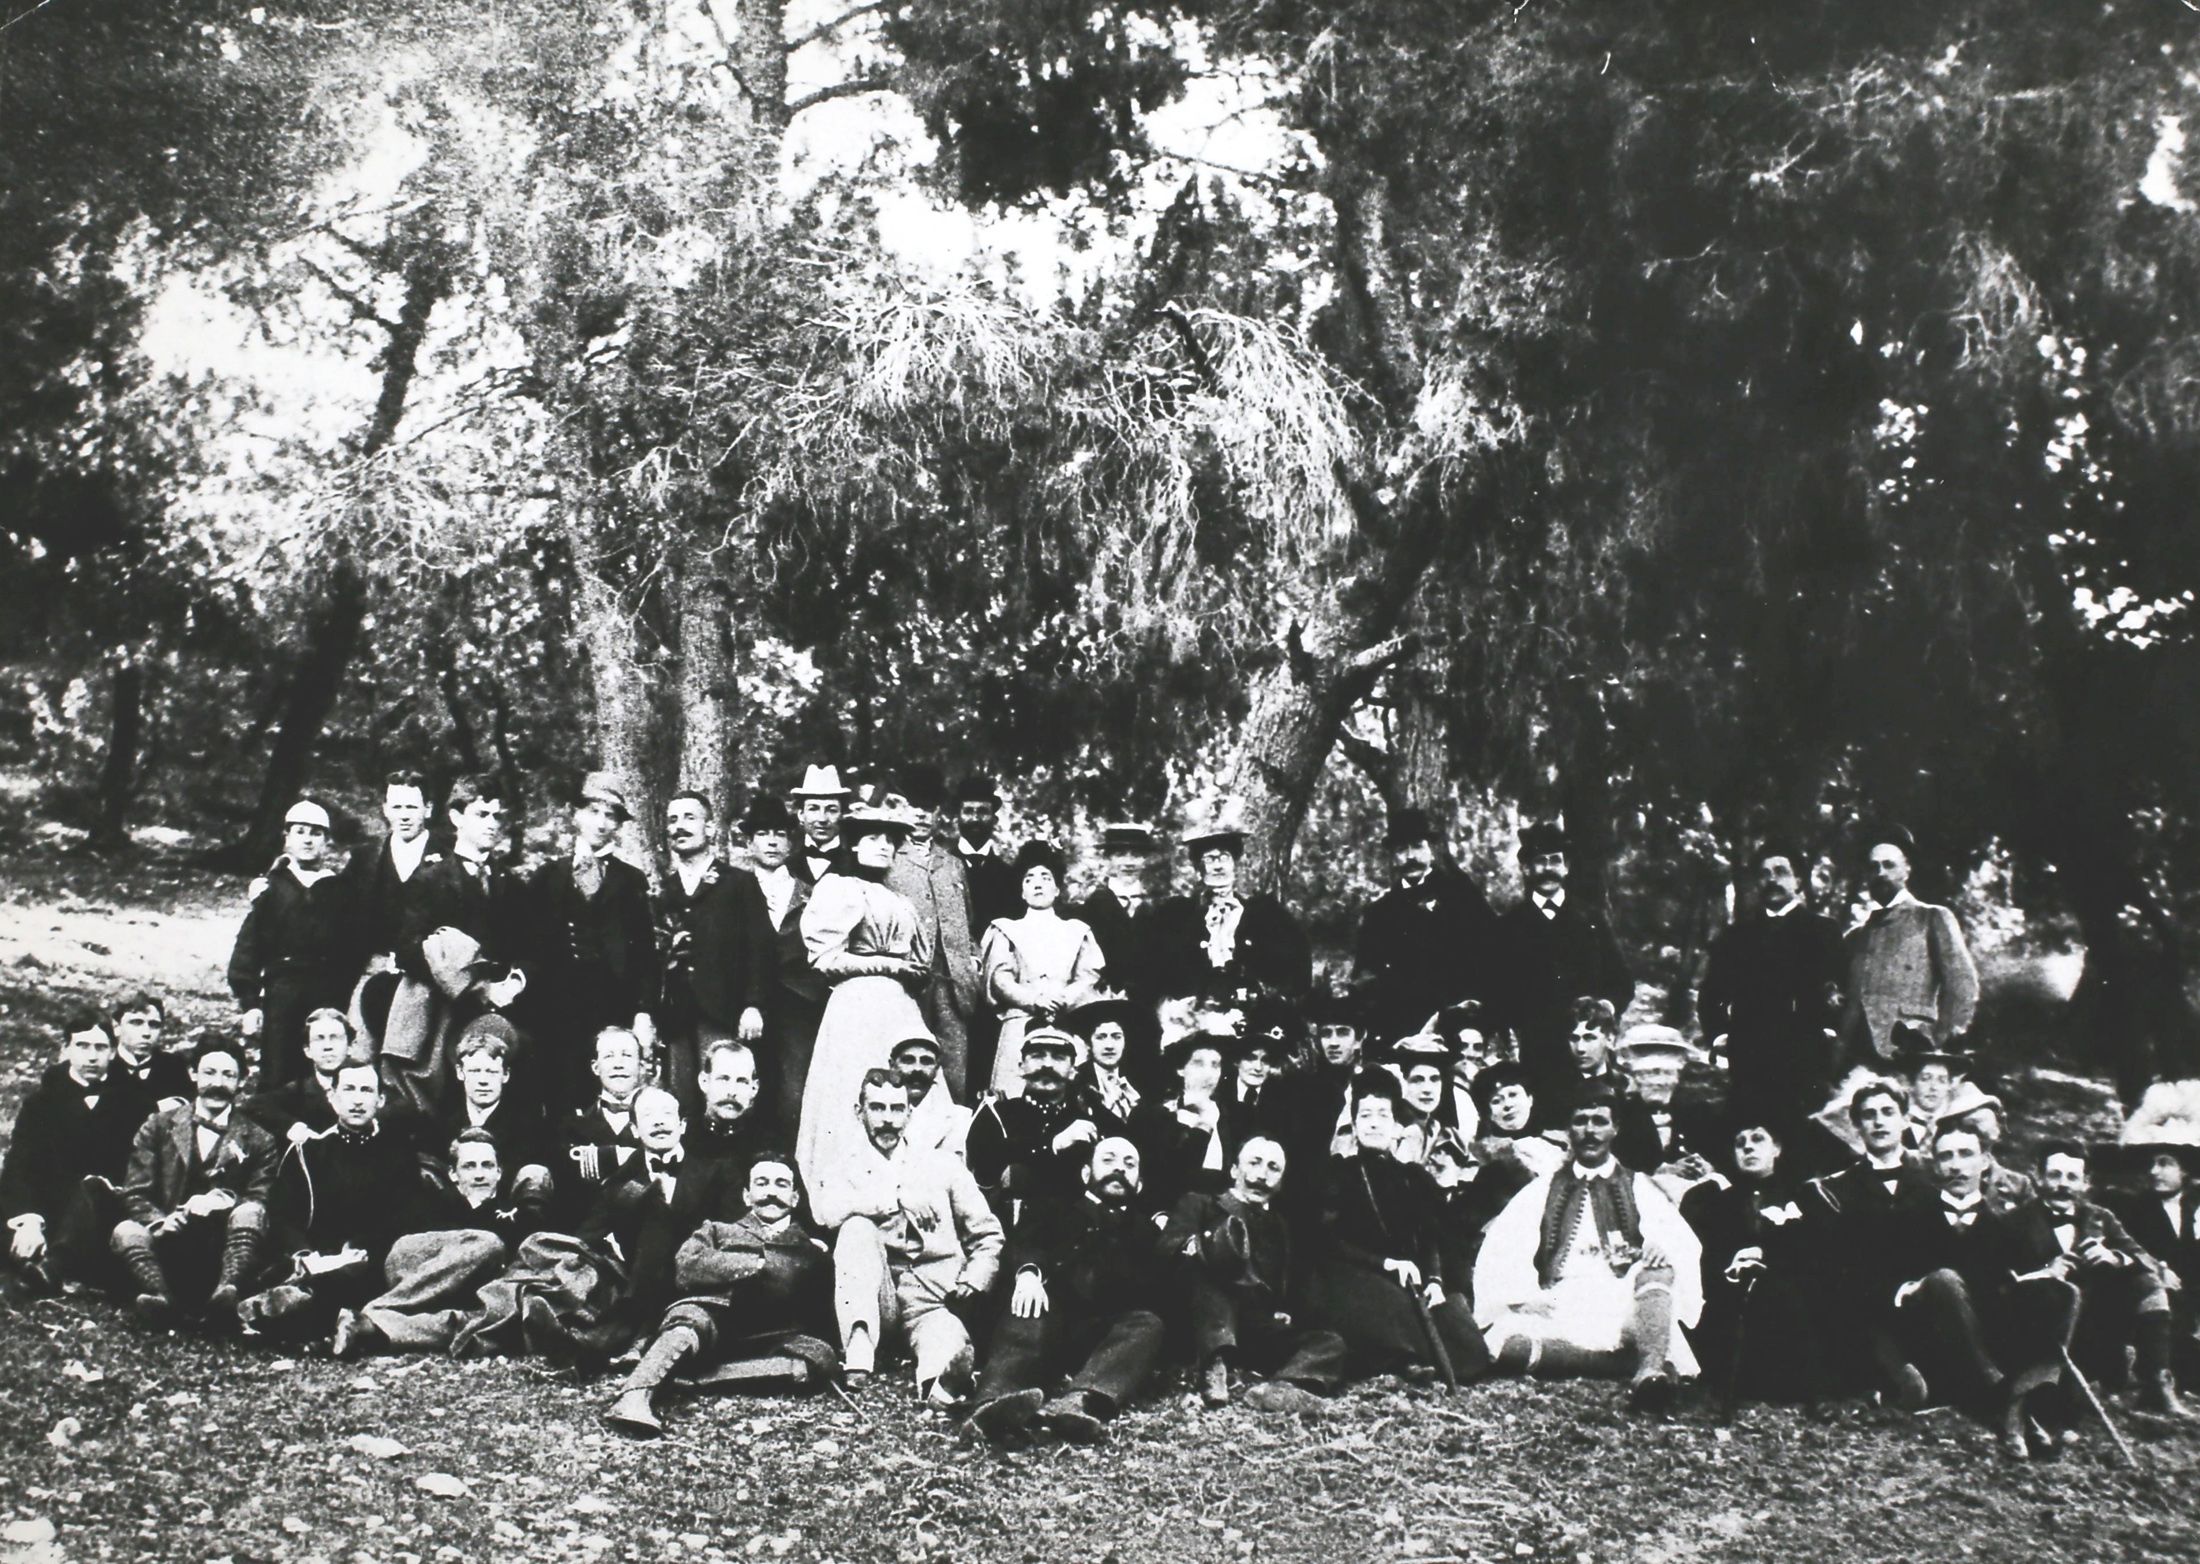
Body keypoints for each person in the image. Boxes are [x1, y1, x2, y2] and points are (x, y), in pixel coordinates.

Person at [1475, 1082, 1704, 1412]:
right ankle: (1629, 1365)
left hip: (1622, 1300)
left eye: (1600, 1121)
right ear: (1569, 1129)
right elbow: (1504, 1248)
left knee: (1658, 1271)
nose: (1590, 1131)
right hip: (1562, 1300)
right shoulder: (1543, 1189)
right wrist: (1523, 1297)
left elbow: (1679, 1242)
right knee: (1506, 1346)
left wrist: (1659, 1248)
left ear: (1615, 1129)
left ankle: (1648, 1370)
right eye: (1581, 1121)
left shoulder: (1638, 1185)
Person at [1867, 1122, 2078, 1459]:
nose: (1956, 1165)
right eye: (1946, 1156)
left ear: (1984, 1161)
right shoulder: (1907, 1218)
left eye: (1966, 1154)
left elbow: (2018, 1298)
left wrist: (2041, 1276)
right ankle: (2006, 1398)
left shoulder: (2008, 1228)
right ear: (1934, 1166)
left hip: (1984, 1346)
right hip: (1925, 1344)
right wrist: (1912, 1288)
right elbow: (1879, 1286)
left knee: (2061, 1293)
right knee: (1944, 1280)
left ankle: (2020, 1397)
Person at [603, 1153, 839, 1437]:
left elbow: (820, 1311)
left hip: (773, 1335)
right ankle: (634, 1398)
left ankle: (695, 1381)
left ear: (795, 1198)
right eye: (762, 1184)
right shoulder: (717, 1230)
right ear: (747, 1194)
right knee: (687, 1322)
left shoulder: (812, 1250)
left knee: (820, 1358)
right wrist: (754, 1265)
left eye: (781, 1185)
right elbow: (687, 1266)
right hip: (714, 1316)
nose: (771, 1193)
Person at [811, 1070, 1003, 1405]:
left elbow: (987, 1234)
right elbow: (826, 1212)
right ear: (860, 1112)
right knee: (856, 1228)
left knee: (946, 1341)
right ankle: (858, 1351)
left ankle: (940, 1388)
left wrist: (975, 1279)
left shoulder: (943, 1165)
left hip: (933, 1296)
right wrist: (896, 1197)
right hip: (875, 1300)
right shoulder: (843, 1165)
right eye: (878, 1108)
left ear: (910, 1113)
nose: (888, 1120)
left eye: (897, 1109)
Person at [967, 1136, 1173, 1445]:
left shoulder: (1145, 1233)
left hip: (1099, 1339)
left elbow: (1153, 1290)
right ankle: (992, 1406)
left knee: (1149, 1323)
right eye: (1109, 1160)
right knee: (1027, 1306)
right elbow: (1025, 1242)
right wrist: (1029, 1274)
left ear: (1139, 1185)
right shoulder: (1055, 1208)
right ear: (1086, 1174)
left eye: (1129, 1164)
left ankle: (1079, 1402)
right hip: (1046, 1317)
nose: (1119, 1168)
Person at [1304, 1076, 1492, 1380]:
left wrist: (1433, 1279)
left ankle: (1419, 1355)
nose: (1374, 1124)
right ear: (1354, 1126)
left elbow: (1430, 1235)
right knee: (1379, 1299)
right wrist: (1386, 1263)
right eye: (1365, 1116)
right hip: (1355, 1273)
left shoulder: (1413, 1177)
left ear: (1396, 1128)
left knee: (1461, 1333)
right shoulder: (1339, 1175)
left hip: (1411, 1277)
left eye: (1383, 1116)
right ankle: (1403, 1360)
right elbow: (1328, 1240)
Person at [794, 790, 933, 1195]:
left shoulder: (898, 900)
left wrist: (911, 973)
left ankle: (905, 1191)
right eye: (873, 838)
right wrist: (887, 965)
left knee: (906, 1093)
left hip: (900, 1009)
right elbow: (826, 960)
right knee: (850, 1097)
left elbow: (920, 961)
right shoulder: (839, 888)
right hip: (855, 1007)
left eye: (890, 840)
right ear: (853, 843)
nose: (884, 846)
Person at [239, 1060, 425, 1341]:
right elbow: (283, 1215)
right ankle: (301, 1305)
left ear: (380, 1100)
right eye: (349, 1089)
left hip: (371, 1259)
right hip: (316, 1258)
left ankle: (293, 1307)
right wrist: (303, 1254)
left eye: (366, 1090)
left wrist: (361, 1247)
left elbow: (409, 1215)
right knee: (293, 1271)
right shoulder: (309, 1152)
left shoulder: (399, 1152)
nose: (358, 1099)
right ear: (333, 1098)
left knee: (357, 1281)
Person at [1160, 1136, 1348, 1412]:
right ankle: (1215, 1365)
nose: (1262, 1175)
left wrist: (1282, 1309)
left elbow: (1284, 1281)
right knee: (1204, 1270)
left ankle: (1282, 1388)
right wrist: (1201, 1246)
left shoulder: (1280, 1226)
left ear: (1282, 1181)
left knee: (1330, 1342)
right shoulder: (1200, 1203)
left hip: (1254, 1327)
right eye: (1255, 1163)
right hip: (1204, 1321)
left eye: (1274, 1168)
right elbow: (1167, 1248)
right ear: (1235, 1170)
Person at [385, 777, 530, 1118]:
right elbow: (408, 948)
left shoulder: (511, 883)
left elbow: (530, 945)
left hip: (505, 1008)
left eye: (498, 817)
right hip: (445, 1010)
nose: (492, 824)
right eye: (481, 814)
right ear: (456, 817)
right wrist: (468, 984)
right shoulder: (429, 879)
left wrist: (513, 984)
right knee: (444, 1103)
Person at [331, 1127, 544, 1358]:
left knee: (488, 1319)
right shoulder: (433, 1204)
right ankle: (379, 1309)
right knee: (489, 1244)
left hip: (459, 1301)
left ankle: (372, 1328)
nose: (480, 1174)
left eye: (487, 1166)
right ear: (453, 1174)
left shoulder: (511, 1216)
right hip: (413, 1276)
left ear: (499, 1173)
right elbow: (388, 1244)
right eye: (469, 1166)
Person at [110, 1037, 280, 1323]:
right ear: (193, 1074)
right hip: (168, 1242)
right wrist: (161, 1222)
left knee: (252, 1213)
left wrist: (223, 1202)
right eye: (210, 1072)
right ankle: (162, 1297)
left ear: (241, 1081)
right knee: (125, 1230)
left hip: (222, 1245)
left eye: (229, 1075)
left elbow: (260, 1198)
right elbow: (135, 1192)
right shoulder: (158, 1125)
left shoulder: (260, 1139)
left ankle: (227, 1293)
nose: (218, 1082)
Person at [525, 772, 657, 1117]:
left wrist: (643, 1011)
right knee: (557, 1097)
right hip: (556, 1010)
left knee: (610, 1098)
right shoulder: (547, 878)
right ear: (576, 815)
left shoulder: (630, 881)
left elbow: (644, 953)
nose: (601, 822)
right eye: (593, 811)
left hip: (612, 1008)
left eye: (610, 815)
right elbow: (530, 950)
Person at [2026, 1142, 2187, 1417]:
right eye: (2054, 1175)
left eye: (2072, 1177)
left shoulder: (2100, 1217)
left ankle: (2158, 1381)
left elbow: (2144, 1258)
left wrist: (2115, 1257)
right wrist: (2045, 1272)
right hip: (2041, 1326)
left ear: (2086, 1183)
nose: (2062, 1185)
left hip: (2096, 1324)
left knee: (2147, 1282)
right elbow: (1998, 1282)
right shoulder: (2015, 1221)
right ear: (2037, 1177)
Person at [1, 1011, 156, 1293]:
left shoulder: (136, 1104)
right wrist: (30, 1221)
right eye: (82, 1046)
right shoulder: (40, 1103)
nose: (92, 1057)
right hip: (48, 1208)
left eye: (100, 1047)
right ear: (65, 1050)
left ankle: (51, 1268)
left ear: (112, 1053)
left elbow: (141, 1172)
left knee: (96, 1192)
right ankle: (42, 1261)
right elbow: (19, 1165)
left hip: (103, 1211)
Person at [1696, 842, 1845, 1129]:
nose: (1772, 880)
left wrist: (1827, 1032)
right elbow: (1711, 993)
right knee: (1750, 1133)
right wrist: (1719, 1037)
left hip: (1804, 1056)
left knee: (1799, 1137)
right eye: (1764, 874)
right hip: (1748, 1055)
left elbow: (1838, 988)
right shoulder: (1737, 936)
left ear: (1798, 881)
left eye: (1781, 872)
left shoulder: (1823, 931)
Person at [1679, 1116, 1825, 1403]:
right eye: (1740, 1143)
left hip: (1790, 1299)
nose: (1748, 1148)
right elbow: (1707, 1258)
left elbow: (1813, 1250)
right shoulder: (1716, 1203)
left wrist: (1767, 1254)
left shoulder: (1802, 1196)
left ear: (1777, 1149)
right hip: (1732, 1300)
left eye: (1758, 1139)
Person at [1487, 824, 1634, 1101]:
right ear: (1526, 869)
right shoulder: (1508, 927)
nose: (1548, 868)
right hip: (1535, 1056)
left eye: (1555, 860)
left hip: (1586, 1053)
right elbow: (1496, 992)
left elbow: (1622, 982)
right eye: (1539, 862)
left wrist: (1604, 1011)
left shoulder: (1592, 920)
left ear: (1566, 867)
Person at [653, 789, 769, 1122]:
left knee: (726, 1097)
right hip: (676, 1018)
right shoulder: (663, 890)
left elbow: (759, 949)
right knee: (681, 1102)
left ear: (710, 828)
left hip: (724, 1011)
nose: (680, 826)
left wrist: (754, 1004)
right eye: (673, 820)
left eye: (690, 817)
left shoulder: (739, 884)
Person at [228, 797, 356, 1089]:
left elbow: (351, 948)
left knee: (324, 1065)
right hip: (282, 992)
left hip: (327, 991)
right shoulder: (271, 888)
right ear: (286, 837)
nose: (308, 840)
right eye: (300, 831)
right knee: (278, 1067)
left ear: (326, 840)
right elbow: (249, 947)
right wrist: (250, 1003)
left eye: (316, 833)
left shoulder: (338, 890)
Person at [1353, 809, 1499, 1046]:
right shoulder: (1379, 913)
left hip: (1458, 1027)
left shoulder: (1463, 898)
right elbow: (1366, 976)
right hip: (1402, 1029)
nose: (1410, 856)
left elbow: (1491, 957)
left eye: (1417, 846)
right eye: (1402, 850)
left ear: (1431, 850)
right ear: (1392, 857)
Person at [1838, 829, 1979, 1073]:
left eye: (1889, 865)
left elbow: (1963, 986)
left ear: (1906, 870)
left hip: (1910, 1054)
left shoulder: (1932, 918)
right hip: (1855, 1059)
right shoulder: (1855, 937)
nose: (1880, 873)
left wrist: (1937, 1046)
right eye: (1873, 867)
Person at [978, 840, 1106, 1097]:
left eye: (1045, 878)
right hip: (1020, 1020)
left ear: (1057, 888)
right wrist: (1035, 1000)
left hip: (1065, 1018)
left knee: (1068, 1091)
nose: (1038, 884)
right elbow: (1000, 978)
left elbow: (1088, 976)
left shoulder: (1076, 931)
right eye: (1029, 879)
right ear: (1022, 891)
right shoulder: (1005, 929)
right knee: (1013, 1092)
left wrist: (1061, 999)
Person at [886, 766, 984, 1099]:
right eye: (915, 808)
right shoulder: (890, 860)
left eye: (928, 810)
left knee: (954, 1066)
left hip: (954, 985)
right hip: (909, 981)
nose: (922, 815)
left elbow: (966, 922)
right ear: (901, 810)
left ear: (938, 814)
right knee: (906, 1062)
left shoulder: (952, 863)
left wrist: (973, 959)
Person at [1148, 811, 1311, 1003]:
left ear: (1235, 863)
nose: (1218, 866)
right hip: (1195, 1016)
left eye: (1224, 857)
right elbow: (1161, 971)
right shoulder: (1177, 916)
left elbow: (1295, 972)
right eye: (1209, 859)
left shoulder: (1267, 915)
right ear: (1198, 868)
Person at [730, 798, 820, 1140]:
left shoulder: (810, 894)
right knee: (744, 1088)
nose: (771, 842)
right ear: (749, 842)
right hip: (744, 1007)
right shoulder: (733, 889)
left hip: (797, 1007)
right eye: (762, 834)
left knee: (793, 1094)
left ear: (790, 842)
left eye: (780, 834)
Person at [967, 1027, 1100, 1219]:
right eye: (1037, 1056)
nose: (1047, 1065)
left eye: (1059, 1057)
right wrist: (1053, 1145)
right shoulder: (996, 1113)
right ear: (1021, 1067)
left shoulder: (1085, 1122)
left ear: (1073, 1071)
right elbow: (986, 1163)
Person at [1072, 824, 1160, 1082]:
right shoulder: (1089, 908)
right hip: (1102, 1008)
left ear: (1145, 859)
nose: (1129, 862)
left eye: (1136, 854)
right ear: (1108, 859)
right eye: (1121, 854)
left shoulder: (1157, 909)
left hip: (1145, 1009)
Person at [426, 1018, 553, 1197]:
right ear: (460, 1072)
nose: (483, 1081)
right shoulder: (441, 1123)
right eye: (475, 1071)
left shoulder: (527, 1126)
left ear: (505, 1075)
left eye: (491, 1072)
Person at [338, 771, 442, 976]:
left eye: (412, 807)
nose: (404, 816)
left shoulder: (448, 855)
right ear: (385, 810)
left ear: (428, 809)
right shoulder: (365, 858)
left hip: (431, 975)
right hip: (374, 971)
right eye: (397, 807)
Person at [1127, 1033, 1235, 1210]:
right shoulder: (1154, 1115)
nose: (1208, 1074)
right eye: (1198, 1064)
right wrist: (1204, 1122)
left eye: (1215, 1065)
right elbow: (1166, 1179)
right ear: (1181, 1069)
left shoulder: (1233, 1117)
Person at [556, 1026, 650, 1219]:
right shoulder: (574, 1124)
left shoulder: (661, 1120)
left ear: (641, 1066)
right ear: (595, 1067)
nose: (618, 1064)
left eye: (627, 1055)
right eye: (609, 1056)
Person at [243, 1007, 360, 1145]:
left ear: (350, 1047)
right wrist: (294, 1127)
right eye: (319, 1039)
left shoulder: (368, 1084)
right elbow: (253, 1106)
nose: (327, 1046)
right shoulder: (298, 1090)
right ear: (307, 1050)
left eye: (335, 1038)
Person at [689, 1038, 773, 1173]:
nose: (732, 1092)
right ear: (704, 1081)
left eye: (742, 1081)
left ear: (754, 1089)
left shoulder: (769, 1149)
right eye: (723, 1079)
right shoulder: (683, 1141)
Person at [951, 774, 1019, 936]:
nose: (975, 818)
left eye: (982, 811)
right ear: (958, 818)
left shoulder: (1011, 877)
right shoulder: (940, 868)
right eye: (968, 811)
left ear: (994, 819)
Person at [890, 1033, 972, 1158]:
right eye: (908, 1060)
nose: (917, 1068)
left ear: (937, 1068)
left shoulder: (962, 1119)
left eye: (926, 1061)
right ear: (892, 1066)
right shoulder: (873, 1116)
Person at [1068, 996, 1141, 1132]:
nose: (1109, 1046)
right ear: (1089, 1044)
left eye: (1116, 1037)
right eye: (1100, 1037)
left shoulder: (1139, 1079)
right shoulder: (1076, 1082)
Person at [111, 994, 191, 1103]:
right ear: (117, 1027)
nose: (146, 1033)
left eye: (154, 1025)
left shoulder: (175, 1066)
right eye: (136, 1023)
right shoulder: (102, 1065)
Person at [788, 764, 852, 884]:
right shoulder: (786, 864)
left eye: (832, 810)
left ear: (842, 815)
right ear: (801, 814)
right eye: (813, 809)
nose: (822, 819)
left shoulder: (857, 865)